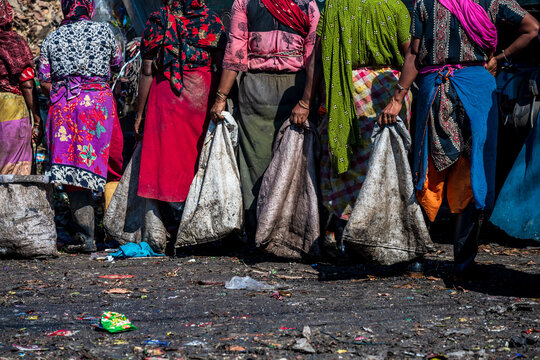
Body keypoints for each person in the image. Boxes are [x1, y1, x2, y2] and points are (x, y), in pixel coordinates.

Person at [379, 0, 540, 279]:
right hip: (478, 92)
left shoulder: (425, 3)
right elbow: (533, 28)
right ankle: (463, 262)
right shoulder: (494, 1)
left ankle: (416, 259)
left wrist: (398, 98)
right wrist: (500, 58)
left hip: (435, 89)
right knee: (472, 168)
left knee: (428, 168)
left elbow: (415, 54)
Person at [290, 0, 413, 230]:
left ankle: (345, 230)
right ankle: (384, 226)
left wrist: (306, 101)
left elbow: (317, 58)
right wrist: (399, 96)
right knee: (387, 161)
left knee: (347, 161)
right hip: (388, 92)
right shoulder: (395, 6)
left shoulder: (334, 7)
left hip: (346, 95)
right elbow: (412, 55)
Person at [209, 0, 320, 237]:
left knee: (254, 161)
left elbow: (236, 51)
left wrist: (221, 97)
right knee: (291, 161)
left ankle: (256, 228)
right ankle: (286, 228)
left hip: (258, 89)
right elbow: (313, 55)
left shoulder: (245, 3)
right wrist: (308, 101)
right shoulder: (307, 4)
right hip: (296, 89)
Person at [38, 0, 124, 252]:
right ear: (89, 7)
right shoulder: (105, 31)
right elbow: (117, 64)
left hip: (65, 109)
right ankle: (114, 232)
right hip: (99, 108)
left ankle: (86, 237)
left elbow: (44, 78)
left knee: (71, 169)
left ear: (66, 8)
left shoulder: (52, 38)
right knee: (111, 164)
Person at [134, 0, 226, 230]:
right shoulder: (211, 21)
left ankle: (170, 225)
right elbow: (221, 65)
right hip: (201, 96)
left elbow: (147, 70)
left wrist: (139, 114)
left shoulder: (159, 19)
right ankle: (195, 223)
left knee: (167, 161)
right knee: (196, 158)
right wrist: (220, 100)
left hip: (165, 94)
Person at [0, 0, 42, 175]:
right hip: (10, 108)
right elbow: (26, 82)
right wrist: (38, 120)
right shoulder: (13, 42)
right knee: (13, 169)